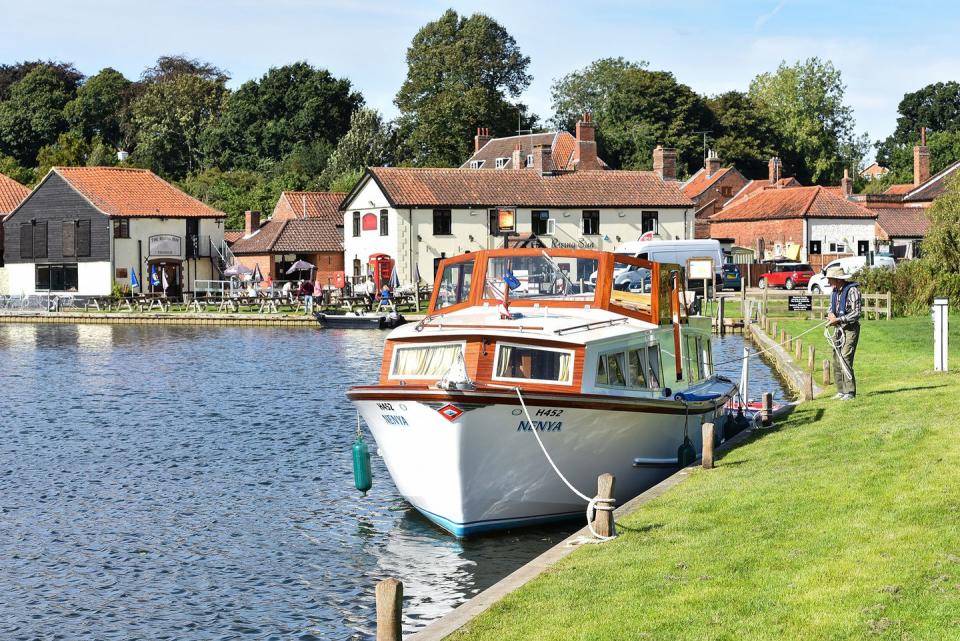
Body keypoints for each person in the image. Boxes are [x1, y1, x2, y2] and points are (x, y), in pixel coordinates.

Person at [826, 266, 861, 400]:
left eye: (830, 279)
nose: (828, 283)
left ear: (837, 279)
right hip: (838, 329)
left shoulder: (852, 291)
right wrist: (830, 314)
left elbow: (856, 313)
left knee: (845, 358)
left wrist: (839, 319)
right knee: (836, 359)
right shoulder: (834, 292)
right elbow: (831, 308)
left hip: (850, 329)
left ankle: (850, 392)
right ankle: (841, 391)